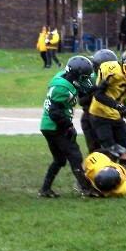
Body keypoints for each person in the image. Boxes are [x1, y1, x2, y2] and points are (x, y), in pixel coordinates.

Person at [38, 55, 93, 198]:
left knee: (60, 160)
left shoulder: (64, 77)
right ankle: (86, 188)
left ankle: (45, 189)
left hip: (48, 126)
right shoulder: (62, 88)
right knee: (75, 156)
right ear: (75, 75)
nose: (85, 80)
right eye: (83, 77)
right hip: (55, 126)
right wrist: (69, 126)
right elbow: (54, 113)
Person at [88, 46, 126, 160]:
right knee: (111, 150)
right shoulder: (112, 72)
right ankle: (91, 162)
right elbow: (98, 95)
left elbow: (120, 100)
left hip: (114, 115)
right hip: (100, 114)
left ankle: (122, 168)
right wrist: (118, 106)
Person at [79, 49, 117, 153]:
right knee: (97, 150)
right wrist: (96, 91)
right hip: (92, 117)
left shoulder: (112, 79)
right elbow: (82, 101)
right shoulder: (91, 79)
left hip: (105, 116)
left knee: (110, 148)